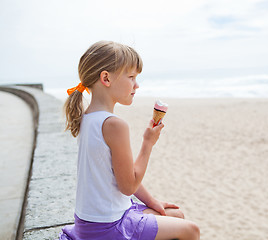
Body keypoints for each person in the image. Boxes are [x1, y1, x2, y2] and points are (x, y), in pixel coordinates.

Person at [59, 41, 200, 240]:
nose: (136, 85)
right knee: (190, 230)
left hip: (91, 224)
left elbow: (119, 173)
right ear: (106, 78)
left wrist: (152, 201)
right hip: (107, 227)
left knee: (175, 215)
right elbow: (128, 186)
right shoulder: (114, 125)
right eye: (131, 77)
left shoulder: (86, 117)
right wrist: (148, 143)